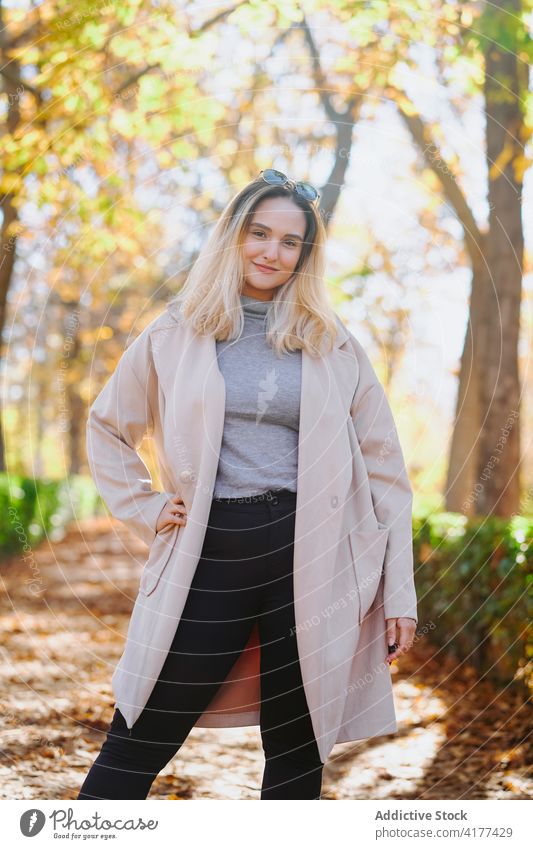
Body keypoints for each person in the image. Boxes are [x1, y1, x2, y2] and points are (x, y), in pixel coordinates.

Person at [77, 169, 417, 801]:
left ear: (305, 255)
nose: (272, 252)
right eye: (260, 233)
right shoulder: (177, 330)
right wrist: (147, 506)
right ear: (234, 236)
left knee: (297, 749)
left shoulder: (332, 342)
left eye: (291, 242)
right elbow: (106, 426)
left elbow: (386, 473)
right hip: (213, 550)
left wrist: (400, 593)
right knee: (142, 728)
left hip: (314, 557)